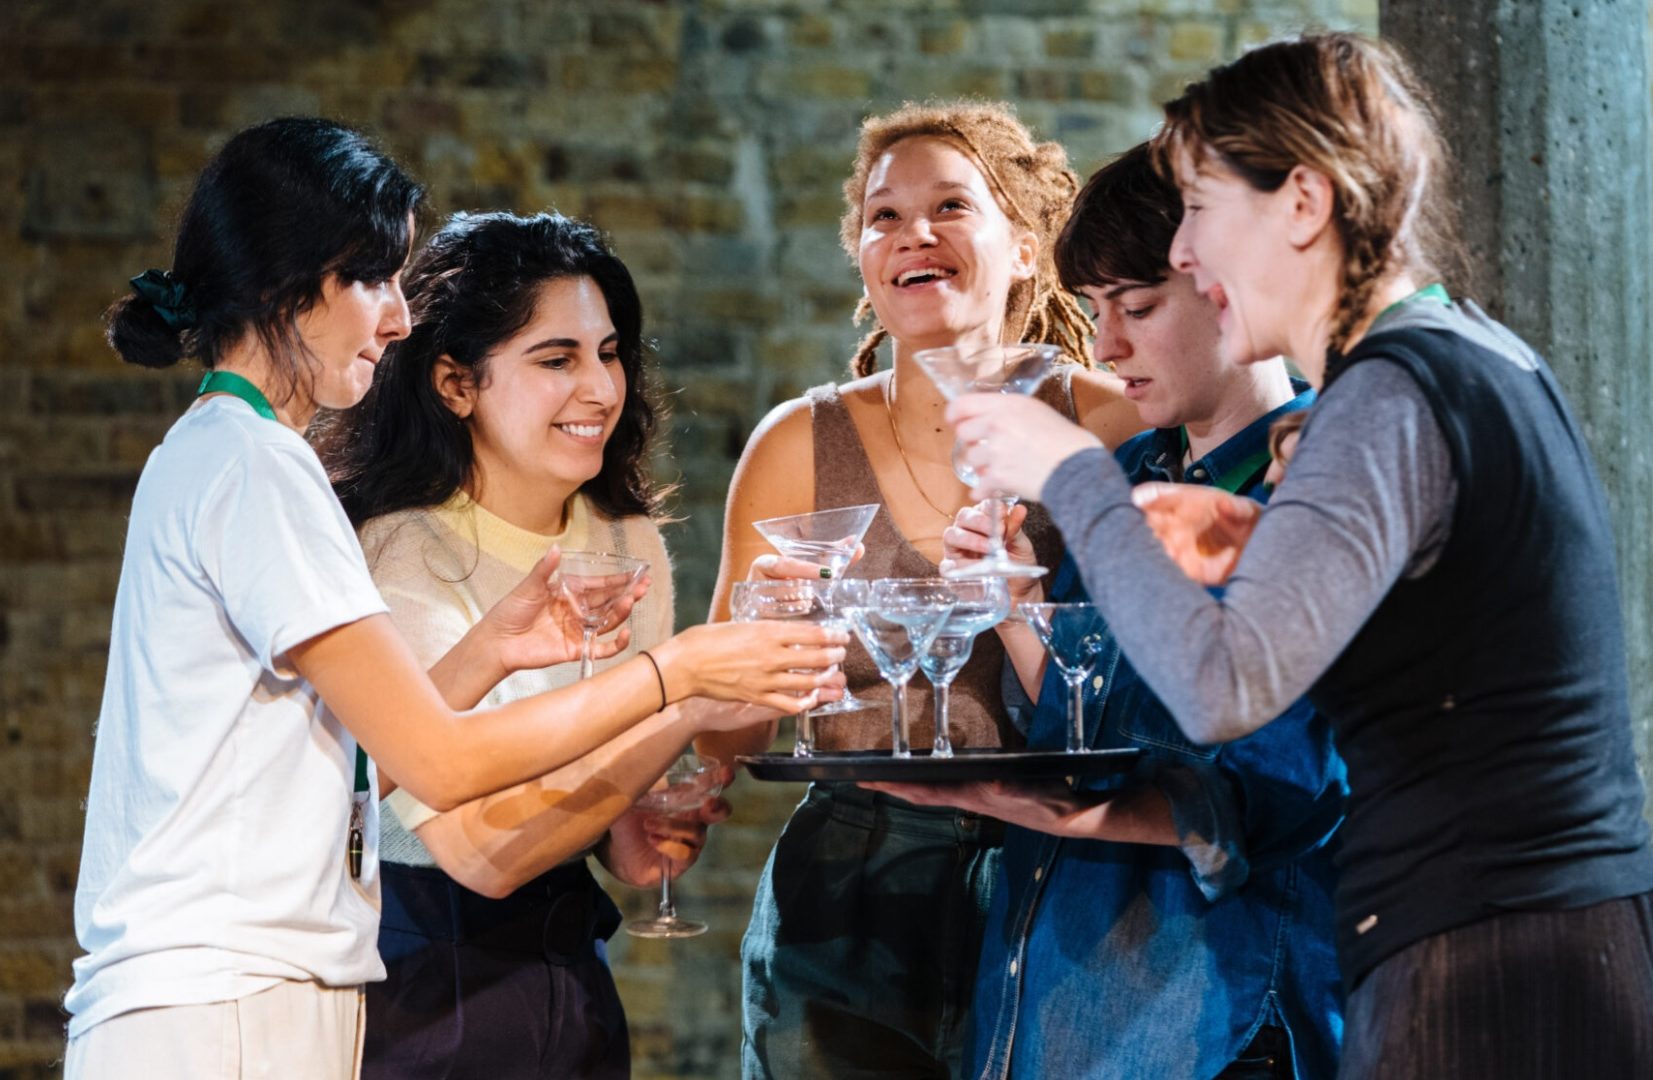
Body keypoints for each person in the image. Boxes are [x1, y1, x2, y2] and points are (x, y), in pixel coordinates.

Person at [942, 35, 1653, 1080]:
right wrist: (1260, 542)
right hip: (1586, 945)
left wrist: (1076, 481)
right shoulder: (1477, 349)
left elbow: (1223, 690)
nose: (1182, 253)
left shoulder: (1383, 395)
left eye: (1202, 207)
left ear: (1303, 203)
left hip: (1489, 974)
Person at [64, 118, 846, 1080]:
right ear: (286, 288)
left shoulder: (222, 449)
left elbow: (351, 771)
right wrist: (677, 672)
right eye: (375, 280)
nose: (397, 319)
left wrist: (490, 651)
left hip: (239, 993)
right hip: (227, 999)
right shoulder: (259, 467)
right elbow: (439, 764)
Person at [876, 144, 1346, 1080]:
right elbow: (1090, 720)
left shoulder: (1318, 473)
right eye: (1095, 313)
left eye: (1135, 308)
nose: (1106, 347)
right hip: (1054, 999)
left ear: (1228, 286)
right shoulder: (1128, 474)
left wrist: (1019, 801)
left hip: (1211, 1017)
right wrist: (1019, 607)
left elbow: (1279, 794)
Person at [701, 101, 1140, 1078]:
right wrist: (755, 632)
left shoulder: (1108, 425)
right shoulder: (794, 446)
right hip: (848, 887)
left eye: (950, 206)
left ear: (1025, 249)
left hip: (1063, 869)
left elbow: (1158, 670)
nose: (914, 236)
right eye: (884, 217)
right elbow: (723, 734)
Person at [318, 210, 747, 1078]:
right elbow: (480, 855)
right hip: (420, 983)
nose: (599, 388)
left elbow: (605, 816)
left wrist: (640, 830)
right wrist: (688, 695)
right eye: (556, 359)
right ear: (455, 383)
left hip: (571, 979)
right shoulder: (403, 552)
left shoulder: (628, 542)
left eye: (610, 352)